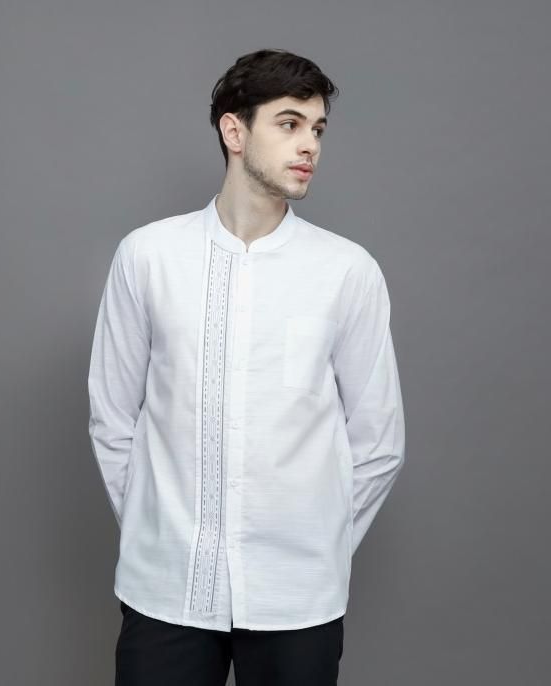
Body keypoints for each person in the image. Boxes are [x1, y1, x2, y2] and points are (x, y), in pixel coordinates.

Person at [87, 48, 406, 686]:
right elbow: (113, 418)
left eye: (317, 129)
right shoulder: (147, 257)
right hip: (166, 591)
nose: (309, 144)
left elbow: (379, 443)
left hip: (298, 597)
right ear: (235, 132)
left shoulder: (347, 272)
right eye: (289, 124)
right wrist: (157, 530)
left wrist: (317, 548)